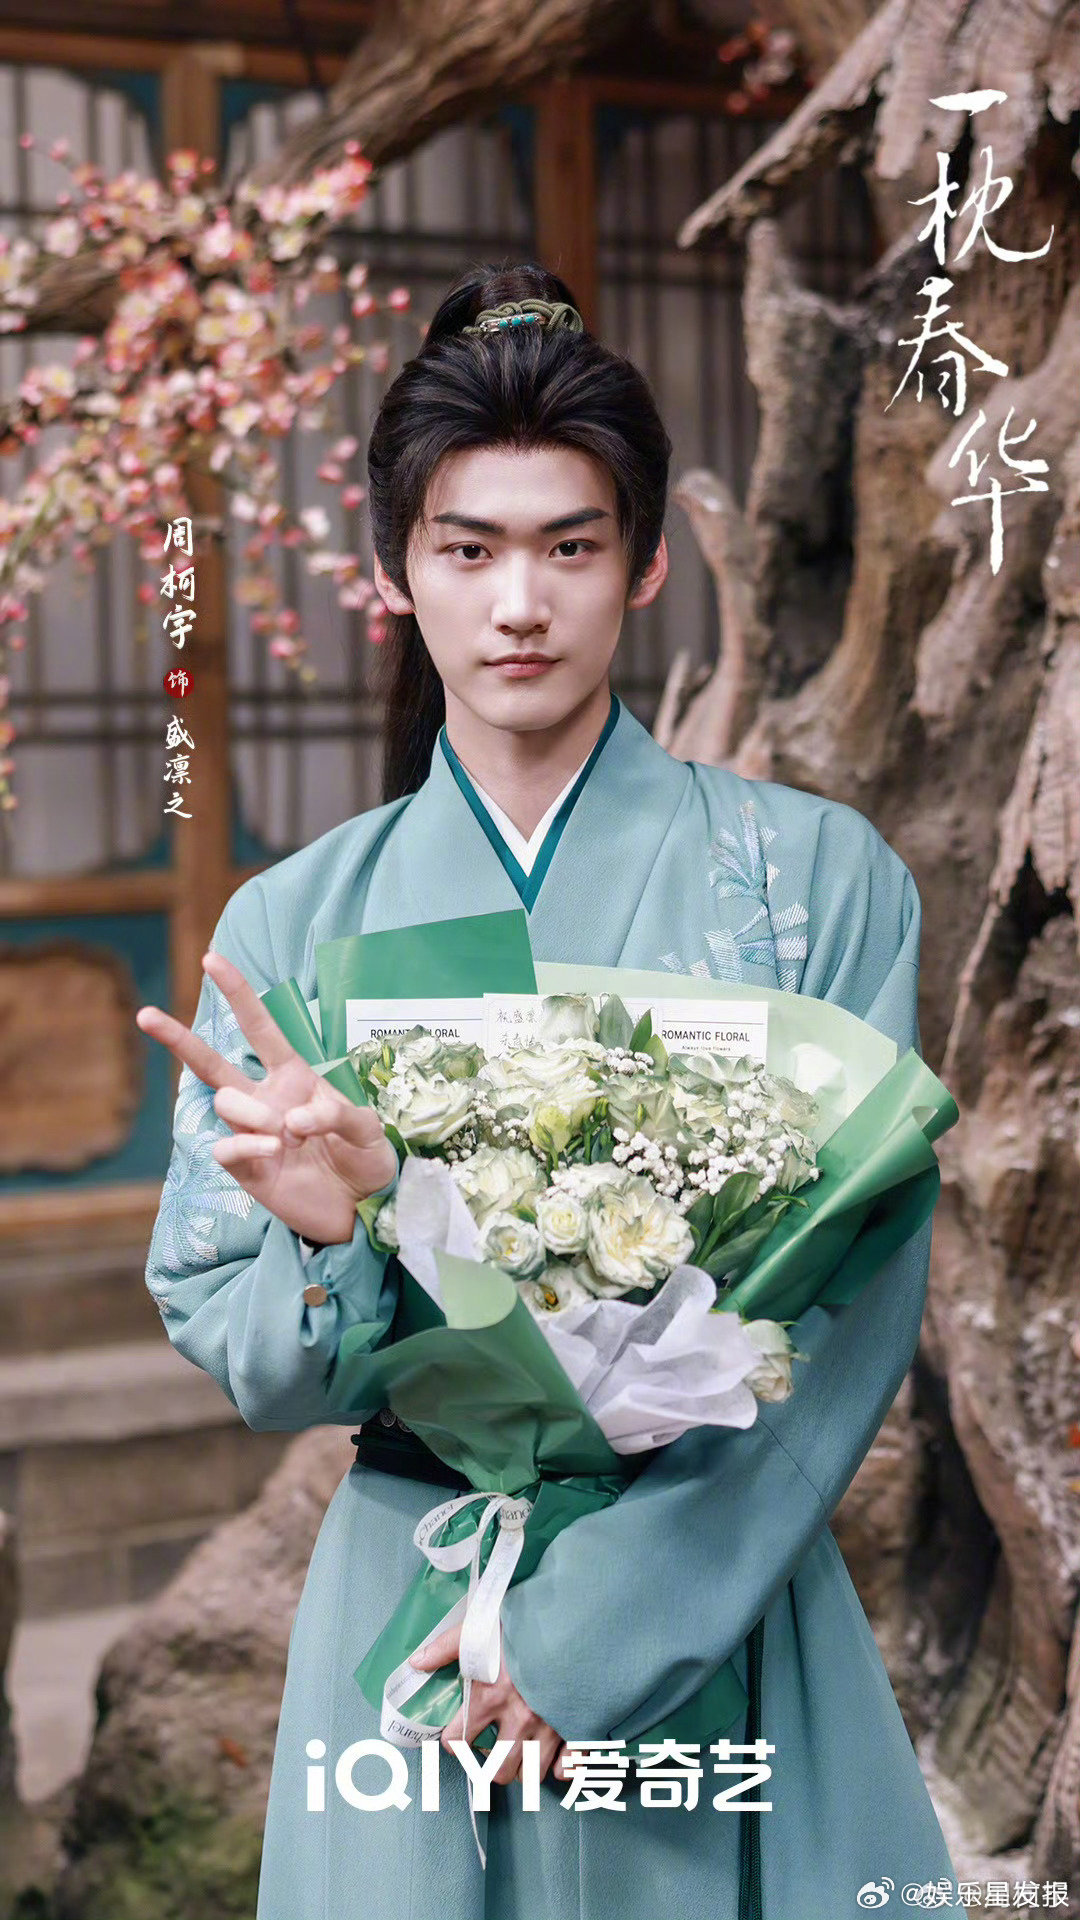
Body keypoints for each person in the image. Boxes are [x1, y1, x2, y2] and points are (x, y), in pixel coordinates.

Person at [137, 262, 968, 1920]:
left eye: (569, 547)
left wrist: (593, 1632)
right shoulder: (290, 925)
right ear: (399, 572)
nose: (520, 602)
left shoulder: (814, 883)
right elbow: (259, 1364)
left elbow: (853, 1306)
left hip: (710, 1587)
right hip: (412, 1599)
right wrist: (331, 1242)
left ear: (647, 563)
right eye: (469, 550)